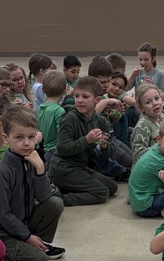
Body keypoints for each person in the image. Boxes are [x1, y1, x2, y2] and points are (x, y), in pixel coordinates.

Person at [0, 106, 65, 261]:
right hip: (1, 232)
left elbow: (44, 197)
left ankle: (35, 241)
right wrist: (27, 236)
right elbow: (2, 214)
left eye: (31, 137)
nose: (26, 143)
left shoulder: (32, 161)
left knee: (55, 203)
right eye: (19, 137)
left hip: (23, 222)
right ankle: (4, 250)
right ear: (6, 138)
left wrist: (41, 170)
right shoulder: (2, 172)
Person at [49, 76, 118, 205]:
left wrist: (104, 145)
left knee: (112, 187)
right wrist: (87, 140)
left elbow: (109, 152)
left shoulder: (100, 121)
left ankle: (63, 189)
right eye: (76, 96)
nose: (79, 100)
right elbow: (62, 149)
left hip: (79, 167)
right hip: (62, 169)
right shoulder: (70, 118)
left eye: (85, 97)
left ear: (97, 100)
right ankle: (57, 198)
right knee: (101, 193)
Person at [128, 118, 164, 218]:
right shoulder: (158, 161)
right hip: (145, 207)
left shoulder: (157, 149)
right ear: (159, 139)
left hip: (139, 199)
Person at [36, 69, 67, 167]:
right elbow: (62, 135)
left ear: (43, 89)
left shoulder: (40, 109)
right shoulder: (59, 111)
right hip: (56, 151)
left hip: (45, 150)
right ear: (65, 90)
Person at [129, 84, 164, 163]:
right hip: (149, 169)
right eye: (148, 102)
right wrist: (160, 146)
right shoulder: (142, 127)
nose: (155, 103)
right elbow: (137, 156)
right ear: (141, 108)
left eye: (157, 98)